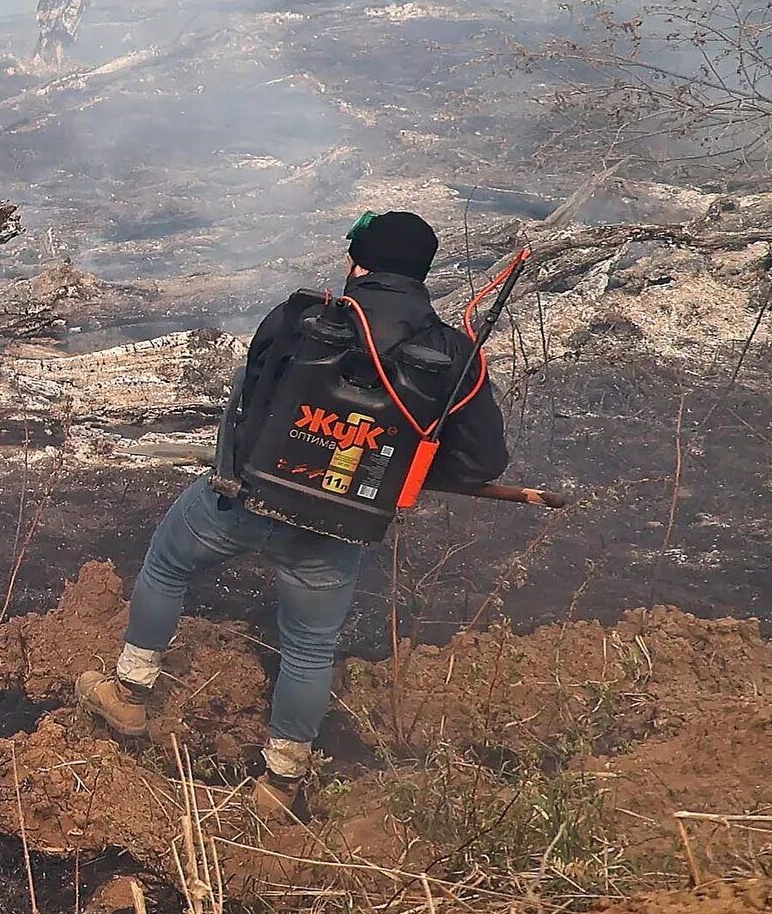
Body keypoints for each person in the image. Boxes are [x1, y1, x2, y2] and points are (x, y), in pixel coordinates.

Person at [76, 210, 510, 815]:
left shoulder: (302, 316)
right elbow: (481, 464)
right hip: (335, 526)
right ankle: (280, 784)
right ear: (422, 274)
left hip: (243, 497)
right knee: (309, 645)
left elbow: (253, 393)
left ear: (358, 262)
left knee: (168, 564)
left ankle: (128, 690)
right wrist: (394, 466)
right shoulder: (454, 357)